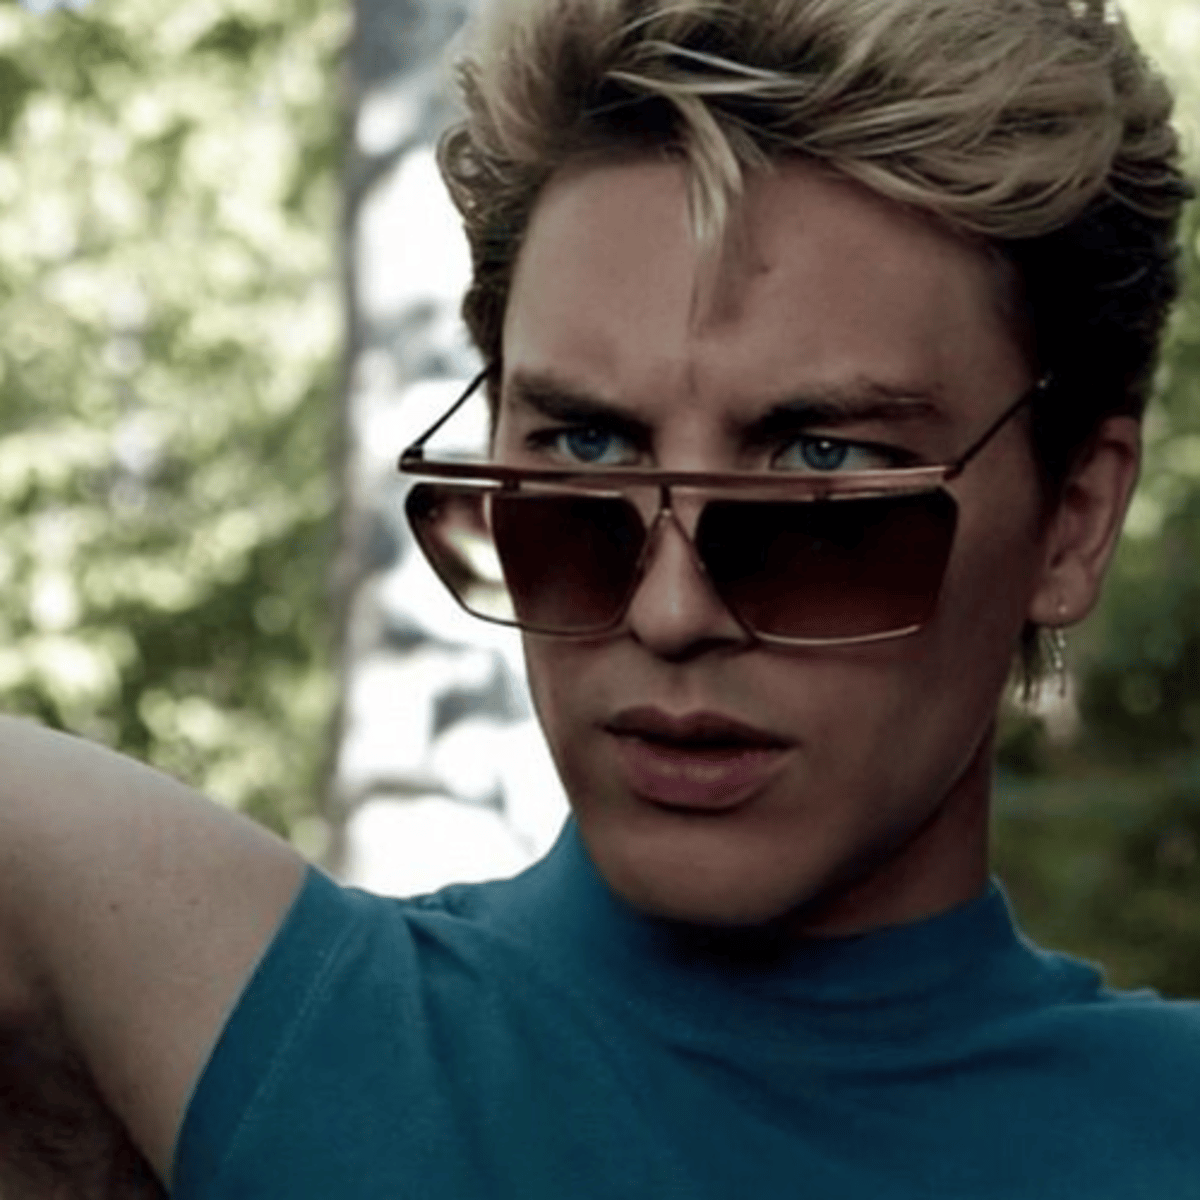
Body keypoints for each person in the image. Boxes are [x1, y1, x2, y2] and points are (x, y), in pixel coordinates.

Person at [1, 0, 1197, 1195]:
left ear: (1074, 519)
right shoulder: (249, 1025)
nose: (669, 613)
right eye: (584, 449)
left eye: (822, 465)